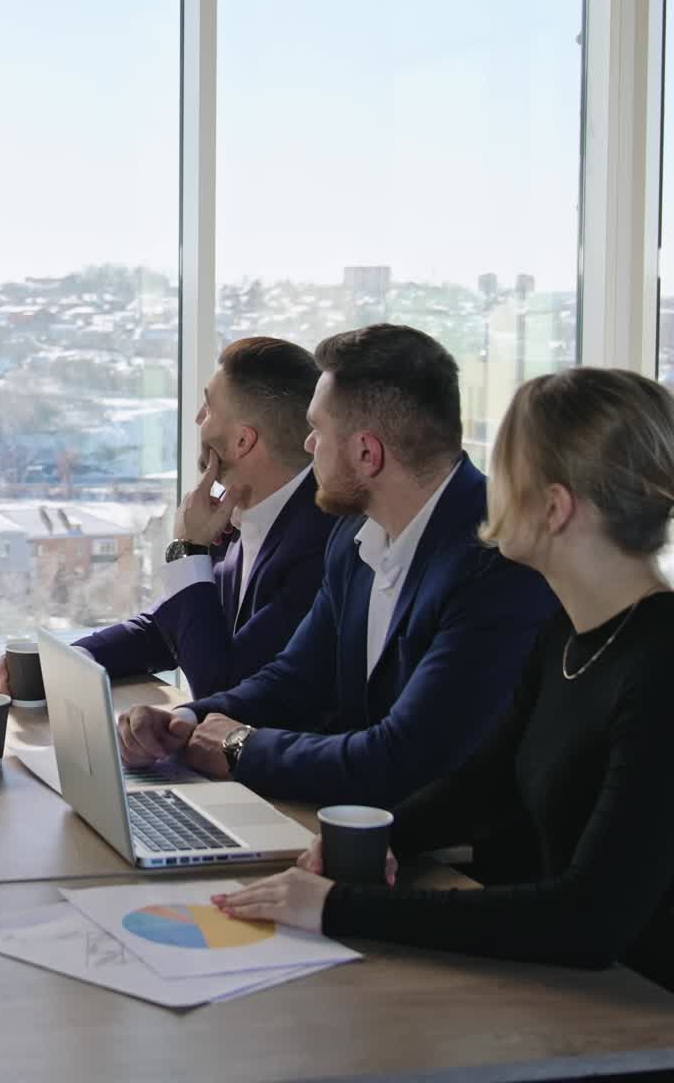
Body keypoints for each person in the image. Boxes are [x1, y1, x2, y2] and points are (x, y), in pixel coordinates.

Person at [211, 367, 674, 991]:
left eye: (507, 470)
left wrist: (334, 907)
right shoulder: (564, 636)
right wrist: (371, 841)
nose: (486, 487)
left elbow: (586, 918)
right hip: (587, 999)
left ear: (556, 508)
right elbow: (482, 786)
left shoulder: (659, 665)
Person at [116, 323, 558, 807]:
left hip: (454, 860)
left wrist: (241, 746)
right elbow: (297, 678)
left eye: (317, 430)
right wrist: (187, 722)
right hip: (354, 826)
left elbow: (402, 757)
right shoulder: (352, 534)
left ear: (367, 453)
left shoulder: (497, 562)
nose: (308, 447)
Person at [0, 337, 335, 700]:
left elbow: (225, 688)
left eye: (209, 406)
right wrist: (66, 663)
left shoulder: (320, 546)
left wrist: (188, 550)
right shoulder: (237, 509)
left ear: (242, 442)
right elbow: (169, 627)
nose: (198, 417)